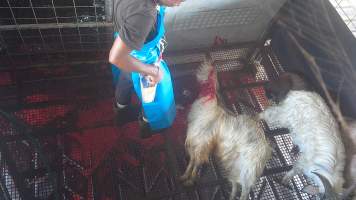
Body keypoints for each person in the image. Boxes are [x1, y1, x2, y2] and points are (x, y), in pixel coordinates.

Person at [109, 0, 184, 138]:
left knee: (125, 79)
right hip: (141, 59)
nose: (182, 2)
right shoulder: (143, 15)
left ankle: (121, 113)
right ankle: (147, 127)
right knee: (155, 97)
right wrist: (153, 71)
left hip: (128, 49)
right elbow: (116, 57)